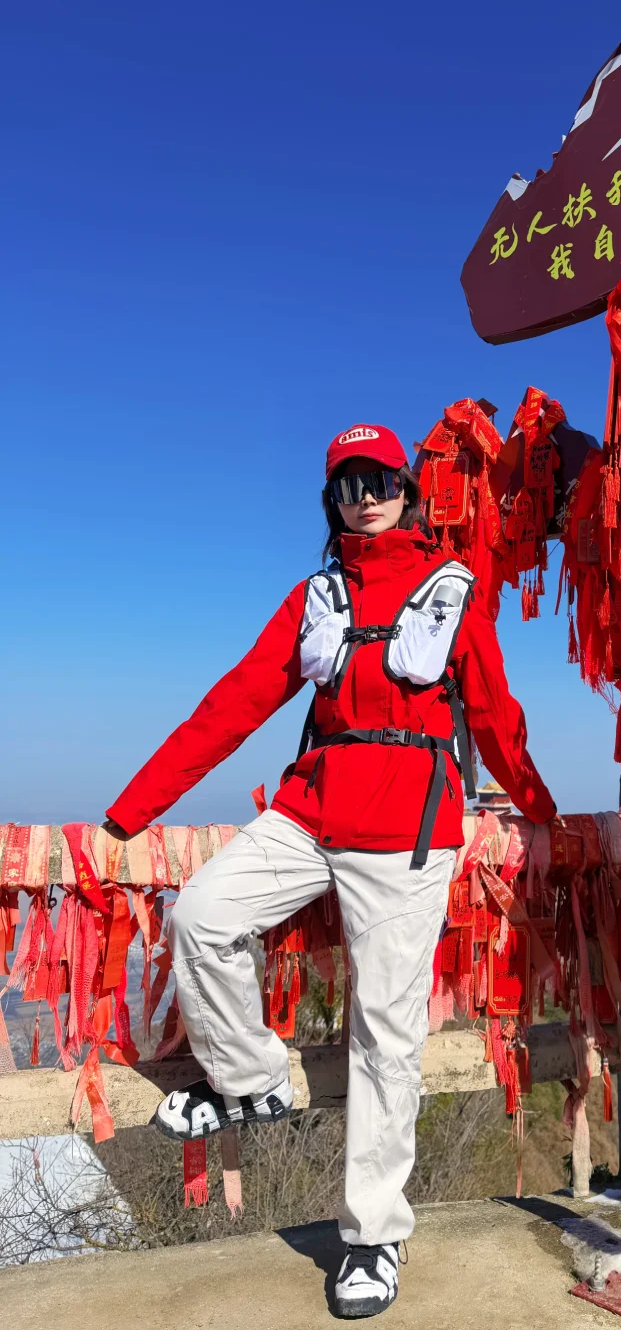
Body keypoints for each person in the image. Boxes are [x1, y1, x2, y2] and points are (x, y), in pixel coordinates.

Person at [104, 423, 556, 1319]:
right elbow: (234, 703)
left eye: (380, 477)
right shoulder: (318, 596)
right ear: (332, 501)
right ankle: (253, 1078)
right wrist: (133, 807)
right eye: (348, 483)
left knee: (386, 1036)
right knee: (201, 916)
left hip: (407, 829)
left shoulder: (452, 588)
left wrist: (541, 810)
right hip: (309, 810)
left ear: (407, 487)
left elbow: (495, 716)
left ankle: (373, 1235)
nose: (365, 495)